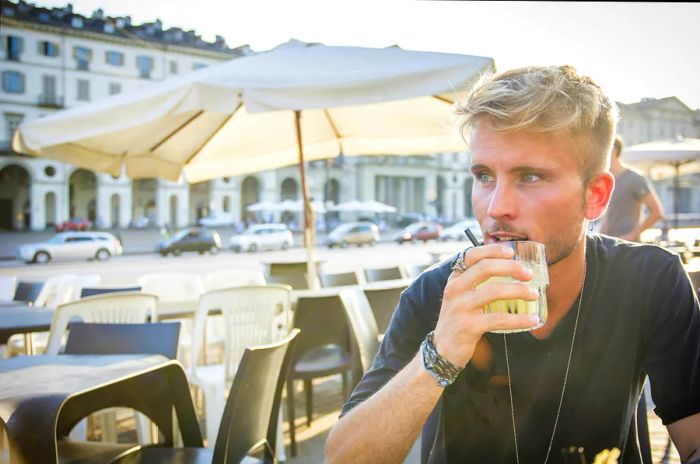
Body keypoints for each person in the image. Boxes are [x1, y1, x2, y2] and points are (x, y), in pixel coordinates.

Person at [325, 65, 700, 464]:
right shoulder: (435, 293)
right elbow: (343, 458)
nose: (496, 207)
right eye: (484, 176)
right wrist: (442, 351)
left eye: (531, 177)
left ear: (596, 195)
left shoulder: (647, 279)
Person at [598, 135, 665, 241]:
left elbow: (657, 212)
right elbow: (607, 216)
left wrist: (632, 235)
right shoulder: (605, 180)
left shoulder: (635, 178)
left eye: (601, 149)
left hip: (627, 247)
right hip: (607, 244)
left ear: (613, 151)